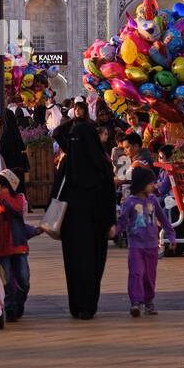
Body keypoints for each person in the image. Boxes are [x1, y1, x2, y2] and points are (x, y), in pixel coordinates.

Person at [52, 115, 116, 320]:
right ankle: (84, 305)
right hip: (85, 224)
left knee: (82, 265)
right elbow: (108, 196)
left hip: (85, 225)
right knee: (85, 264)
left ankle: (82, 304)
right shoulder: (92, 164)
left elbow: (56, 193)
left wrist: (111, 222)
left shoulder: (75, 164)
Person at [119, 165, 177, 318]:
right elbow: (122, 221)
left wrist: (171, 235)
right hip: (135, 246)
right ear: (141, 183)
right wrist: (114, 231)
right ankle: (136, 303)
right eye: (151, 183)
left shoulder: (153, 200)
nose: (154, 185)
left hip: (152, 246)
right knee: (136, 273)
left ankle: (149, 301)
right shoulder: (130, 202)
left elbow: (163, 219)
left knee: (150, 275)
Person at [0, 169, 31, 321]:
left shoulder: (19, 198)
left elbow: (14, 208)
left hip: (18, 246)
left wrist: (0, 196)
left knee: (24, 279)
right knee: (5, 281)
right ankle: (10, 309)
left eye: (2, 186)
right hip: (2, 248)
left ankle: (19, 303)